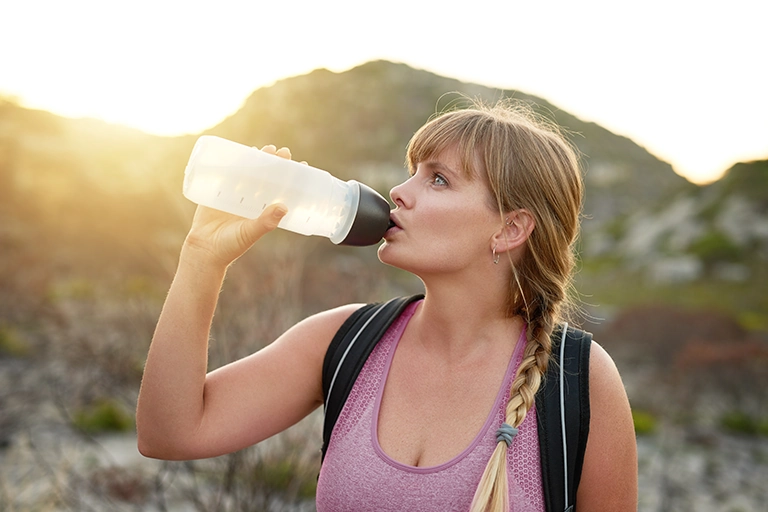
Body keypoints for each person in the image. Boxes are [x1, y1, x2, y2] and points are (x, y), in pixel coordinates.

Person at [136, 99, 638, 511]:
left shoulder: (579, 380)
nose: (399, 192)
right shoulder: (345, 341)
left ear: (510, 229)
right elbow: (169, 432)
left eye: (438, 179)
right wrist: (202, 258)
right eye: (412, 172)